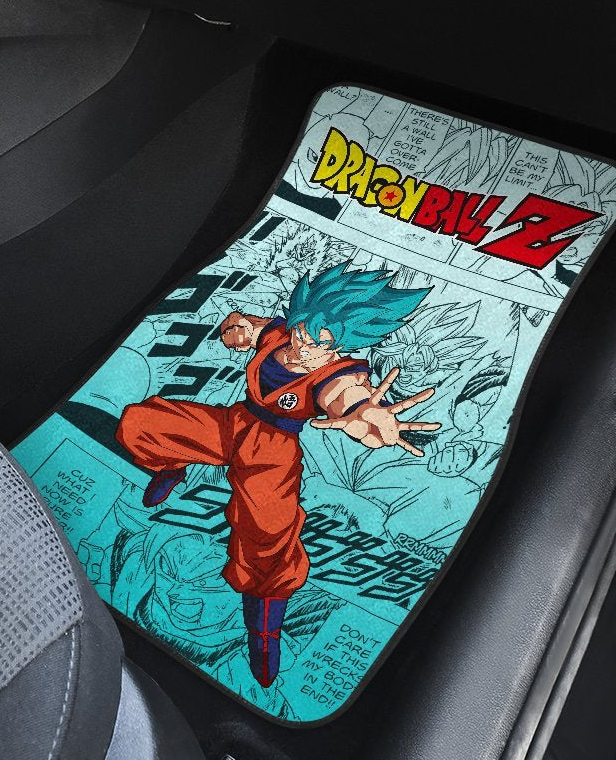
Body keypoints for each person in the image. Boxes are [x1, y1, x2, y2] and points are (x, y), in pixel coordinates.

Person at [116, 261, 440, 688]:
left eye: (321, 344)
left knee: (268, 536)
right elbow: (250, 328)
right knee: (142, 423)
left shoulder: (336, 374)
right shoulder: (280, 335)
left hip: (272, 450)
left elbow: (345, 395)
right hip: (234, 424)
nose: (304, 346)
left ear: (340, 346)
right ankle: (173, 466)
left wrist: (365, 415)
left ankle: (264, 630)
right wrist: (236, 328)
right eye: (303, 332)